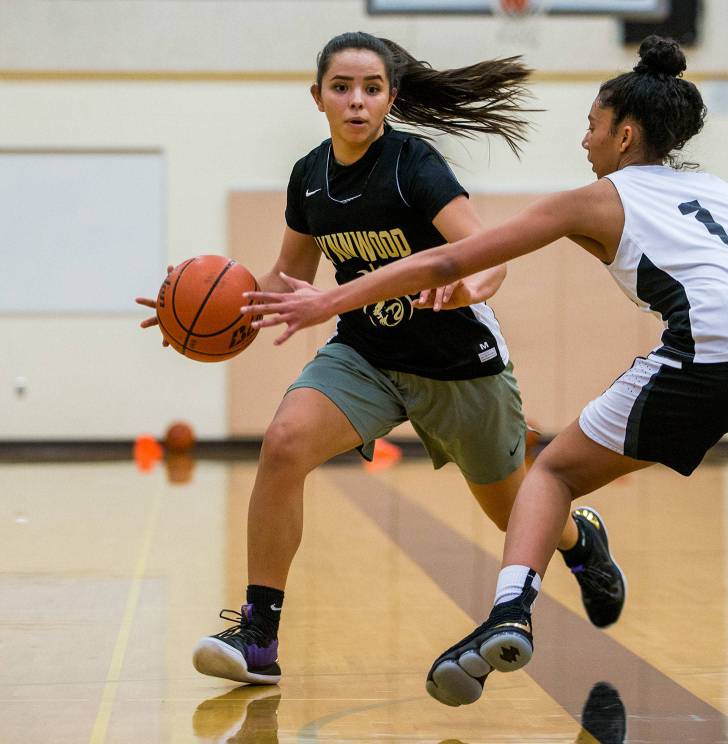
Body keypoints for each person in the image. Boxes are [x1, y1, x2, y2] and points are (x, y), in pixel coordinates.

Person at [240, 35, 728, 708]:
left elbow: (458, 258)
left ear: (625, 136)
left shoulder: (595, 199)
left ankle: (509, 615)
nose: (584, 140)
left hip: (709, 345)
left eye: (591, 126)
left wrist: (333, 297)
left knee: (553, 475)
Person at [135, 31, 627, 686]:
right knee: (283, 444)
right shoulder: (309, 177)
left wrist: (464, 285)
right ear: (318, 98)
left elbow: (490, 259)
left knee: (512, 509)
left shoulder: (413, 165)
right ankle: (259, 634)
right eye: (342, 88)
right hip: (365, 354)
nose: (357, 101)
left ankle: (578, 538)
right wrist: (205, 314)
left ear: (391, 97)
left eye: (371, 89)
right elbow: (288, 276)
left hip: (457, 363)